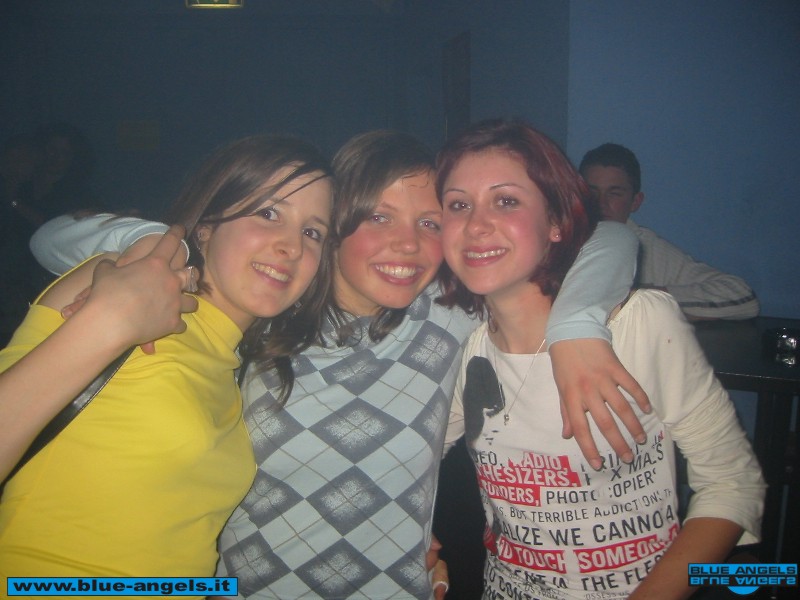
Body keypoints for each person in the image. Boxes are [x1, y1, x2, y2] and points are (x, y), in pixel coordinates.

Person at [31, 130, 649, 600]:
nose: (407, 243)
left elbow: (613, 237)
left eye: (429, 222)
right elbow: (52, 235)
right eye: (378, 216)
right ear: (335, 228)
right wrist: (160, 245)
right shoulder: (266, 311)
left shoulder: (450, 314)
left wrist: (576, 325)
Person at [439, 120, 765, 599]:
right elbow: (410, 459)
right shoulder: (464, 348)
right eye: (458, 204)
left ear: (555, 222)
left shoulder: (637, 324)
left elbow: (733, 483)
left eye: (505, 200)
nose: (475, 224)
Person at [0, 134, 334, 587]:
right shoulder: (123, 282)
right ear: (207, 226)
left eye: (313, 233)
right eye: (269, 213)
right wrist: (146, 247)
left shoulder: (232, 370)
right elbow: (48, 236)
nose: (292, 246)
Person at [579, 143, 759, 321]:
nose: (601, 204)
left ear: (635, 202)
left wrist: (645, 297)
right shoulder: (563, 240)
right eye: (592, 192)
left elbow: (742, 296)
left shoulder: (646, 248)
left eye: (614, 193)